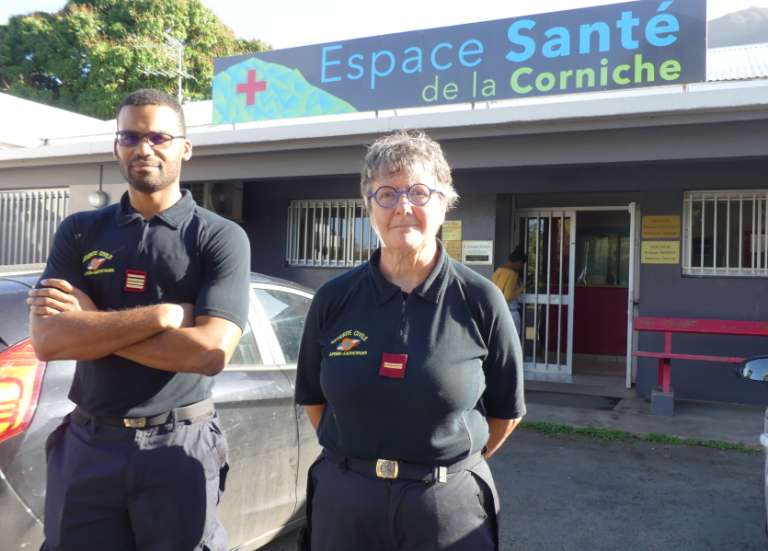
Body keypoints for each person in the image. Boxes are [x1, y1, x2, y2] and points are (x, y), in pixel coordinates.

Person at [27, 89, 250, 551]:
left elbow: (209, 353)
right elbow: (49, 340)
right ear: (116, 147)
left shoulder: (219, 238)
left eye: (159, 136)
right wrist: (163, 316)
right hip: (89, 443)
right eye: (130, 136)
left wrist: (90, 324)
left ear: (184, 148)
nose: (143, 148)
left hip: (179, 444)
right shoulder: (81, 231)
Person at [294, 130, 525, 551]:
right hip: (346, 502)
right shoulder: (334, 299)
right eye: (386, 193)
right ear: (369, 207)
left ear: (444, 203)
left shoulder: (479, 298)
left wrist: (448, 468)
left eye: (419, 192)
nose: (403, 206)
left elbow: (507, 412)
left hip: (445, 506)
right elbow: (313, 398)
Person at [491, 246, 527, 335]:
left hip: (498, 313)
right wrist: (521, 289)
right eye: (522, 264)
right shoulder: (513, 274)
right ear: (518, 262)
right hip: (511, 313)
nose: (521, 267)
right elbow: (508, 296)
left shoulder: (497, 271)